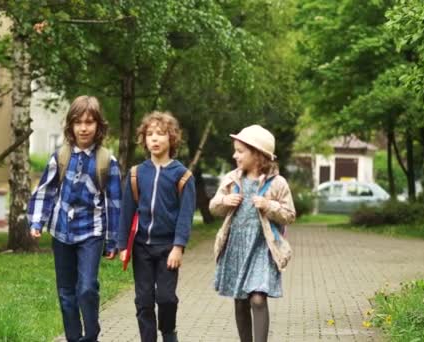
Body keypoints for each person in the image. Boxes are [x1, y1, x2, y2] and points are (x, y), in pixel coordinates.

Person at [27, 95, 121, 342]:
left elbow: (114, 204)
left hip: (91, 231)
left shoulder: (106, 161)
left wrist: (112, 242)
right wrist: (37, 222)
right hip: (61, 231)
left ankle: (90, 336)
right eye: (78, 122)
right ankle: (73, 338)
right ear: (70, 126)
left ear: (98, 126)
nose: (83, 127)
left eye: (89, 122)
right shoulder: (60, 156)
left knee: (87, 288)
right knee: (66, 292)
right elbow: (45, 191)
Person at [209, 124, 295, 342]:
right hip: (236, 246)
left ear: (257, 154)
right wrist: (224, 201)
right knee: (240, 300)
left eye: (240, 151)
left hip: (262, 247)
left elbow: (289, 215)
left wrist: (269, 205)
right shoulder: (232, 179)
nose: (235, 155)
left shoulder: (277, 183)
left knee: (257, 299)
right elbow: (213, 207)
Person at [118, 111, 196, 342]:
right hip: (141, 248)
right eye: (150, 134)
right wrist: (123, 244)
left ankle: (169, 332)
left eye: (160, 134)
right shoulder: (136, 174)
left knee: (166, 298)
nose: (154, 138)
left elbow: (185, 215)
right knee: (143, 301)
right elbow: (126, 212)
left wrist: (178, 246)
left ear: (171, 139)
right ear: (144, 140)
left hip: (167, 248)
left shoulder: (182, 176)